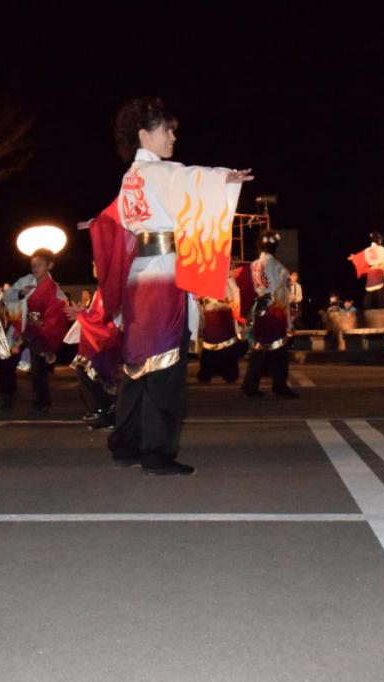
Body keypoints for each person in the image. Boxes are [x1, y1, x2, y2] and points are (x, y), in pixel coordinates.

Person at [91, 96, 250, 475]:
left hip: (139, 275)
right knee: (166, 364)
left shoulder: (129, 179)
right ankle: (157, 452)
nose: (172, 136)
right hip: (163, 276)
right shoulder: (158, 173)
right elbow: (189, 179)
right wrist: (223, 178)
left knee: (137, 363)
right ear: (145, 134)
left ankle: (125, 444)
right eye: (167, 129)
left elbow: (110, 220)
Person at [1, 248, 68, 411]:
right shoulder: (26, 280)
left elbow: (56, 316)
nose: (35, 267)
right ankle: (8, 394)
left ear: (50, 265)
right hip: (21, 329)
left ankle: (42, 401)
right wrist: (19, 294)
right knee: (7, 360)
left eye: (40, 264)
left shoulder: (55, 290)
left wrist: (42, 326)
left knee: (39, 366)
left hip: (40, 331)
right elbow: (6, 295)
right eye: (33, 264)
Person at [240, 229, 297, 398]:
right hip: (274, 308)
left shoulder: (254, 264)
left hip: (260, 307)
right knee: (278, 347)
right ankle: (279, 385)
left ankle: (250, 384)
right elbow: (284, 291)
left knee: (260, 347)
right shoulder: (277, 266)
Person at [64, 266, 121, 429]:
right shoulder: (101, 289)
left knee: (91, 373)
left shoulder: (108, 289)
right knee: (86, 372)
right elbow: (97, 316)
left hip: (104, 339)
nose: (94, 267)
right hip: (96, 337)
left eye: (97, 264)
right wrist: (82, 312)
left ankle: (106, 411)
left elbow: (103, 319)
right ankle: (103, 411)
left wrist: (80, 315)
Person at [196, 274, 242, 384]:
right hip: (218, 312)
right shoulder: (225, 277)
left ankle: (208, 373)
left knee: (213, 344)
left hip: (216, 312)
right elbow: (235, 294)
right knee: (222, 344)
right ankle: (228, 374)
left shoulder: (205, 276)